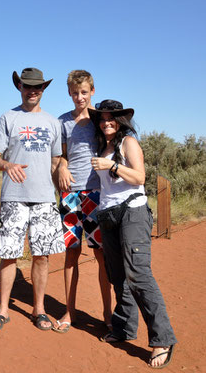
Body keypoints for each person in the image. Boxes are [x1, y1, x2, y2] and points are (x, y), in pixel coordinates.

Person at [89, 100, 177, 369]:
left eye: (111, 119)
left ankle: (162, 338)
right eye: (102, 119)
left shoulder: (128, 142)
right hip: (108, 214)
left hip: (133, 212)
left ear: (121, 121)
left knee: (138, 273)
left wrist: (112, 167)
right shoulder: (102, 146)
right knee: (117, 275)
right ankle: (124, 328)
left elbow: (140, 177)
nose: (106, 123)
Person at [0, 67, 65, 332]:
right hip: (13, 198)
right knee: (8, 255)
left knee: (42, 256)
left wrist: (60, 196)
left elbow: (55, 162)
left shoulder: (53, 123)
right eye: (28, 86)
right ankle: (3, 310)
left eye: (38, 87)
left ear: (43, 90)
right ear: (19, 87)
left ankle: (39, 310)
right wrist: (7, 165)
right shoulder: (8, 118)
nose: (33, 91)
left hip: (44, 200)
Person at [53, 70, 112, 334]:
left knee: (102, 255)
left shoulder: (102, 120)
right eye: (75, 92)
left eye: (84, 92)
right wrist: (62, 167)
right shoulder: (62, 122)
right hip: (70, 196)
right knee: (71, 254)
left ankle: (108, 315)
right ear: (69, 93)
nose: (80, 97)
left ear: (92, 91)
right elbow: (60, 156)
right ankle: (69, 311)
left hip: (96, 194)